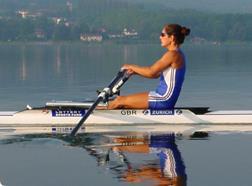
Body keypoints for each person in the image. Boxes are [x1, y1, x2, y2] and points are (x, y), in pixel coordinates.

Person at [108, 24, 190, 109]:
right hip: (161, 97)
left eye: (162, 35)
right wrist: (135, 72)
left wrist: (131, 66)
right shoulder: (177, 54)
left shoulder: (173, 55)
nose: (160, 37)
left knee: (119, 101)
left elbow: (151, 72)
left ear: (172, 38)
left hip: (164, 99)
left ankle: (97, 116)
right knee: (122, 103)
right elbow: (155, 75)